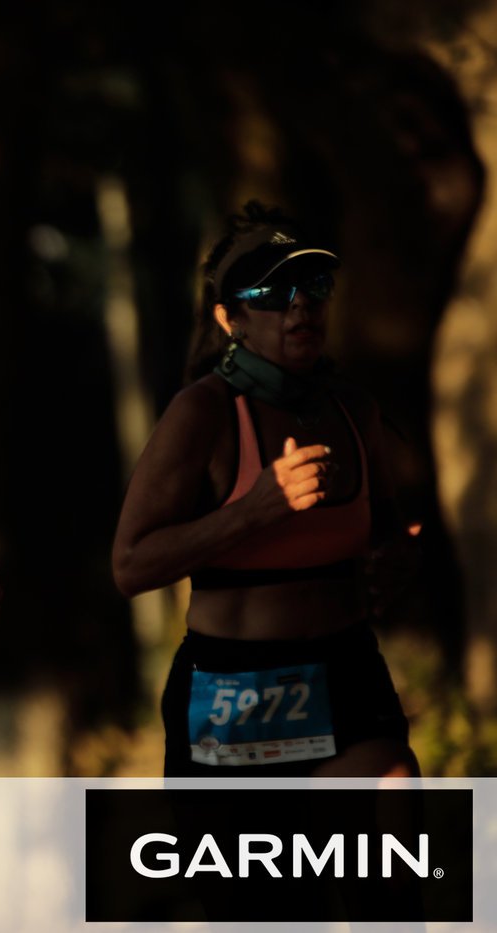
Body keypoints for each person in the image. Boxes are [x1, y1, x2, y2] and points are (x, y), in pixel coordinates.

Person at [112, 201, 420, 779]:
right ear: (231, 319)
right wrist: (253, 511)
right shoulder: (202, 413)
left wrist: (394, 554)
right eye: (274, 293)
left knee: (392, 794)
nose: (300, 304)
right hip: (234, 685)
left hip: (345, 664)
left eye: (314, 285)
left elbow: (384, 533)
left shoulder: (355, 409)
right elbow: (130, 566)